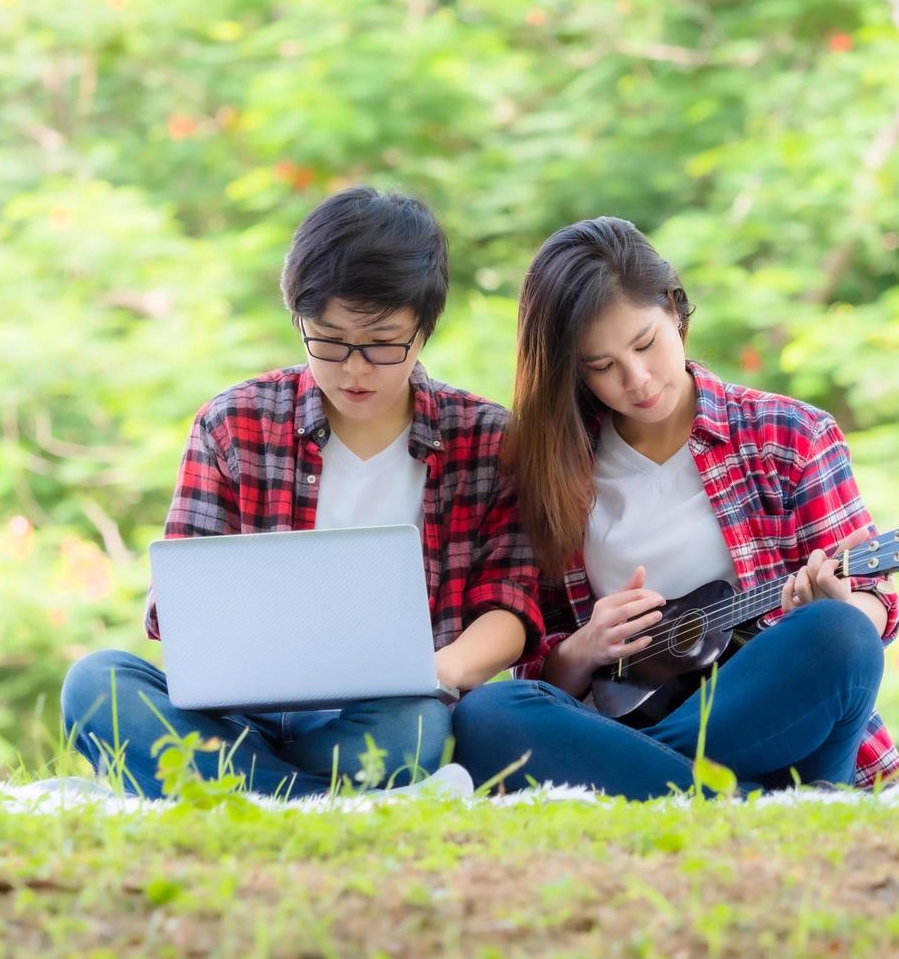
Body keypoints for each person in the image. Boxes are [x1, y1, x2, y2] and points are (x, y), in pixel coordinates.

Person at [61, 187, 542, 800]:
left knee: (416, 726)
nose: (354, 369)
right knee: (93, 684)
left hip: (380, 714)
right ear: (298, 321)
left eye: (382, 344)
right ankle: (312, 798)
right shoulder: (233, 422)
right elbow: (177, 608)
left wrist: (432, 672)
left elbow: (511, 606)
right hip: (232, 717)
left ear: (425, 330)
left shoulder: (487, 439)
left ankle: (227, 791)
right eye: (329, 341)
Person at [453, 217, 899, 799]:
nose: (636, 380)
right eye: (601, 366)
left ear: (676, 311)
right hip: (617, 730)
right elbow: (544, 675)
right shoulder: (550, 469)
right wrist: (582, 648)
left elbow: (876, 605)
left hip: (777, 728)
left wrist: (839, 603)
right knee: (488, 712)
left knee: (840, 633)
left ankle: (665, 786)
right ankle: (735, 800)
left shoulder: (788, 433)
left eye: (645, 344)